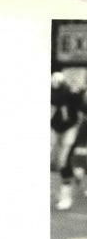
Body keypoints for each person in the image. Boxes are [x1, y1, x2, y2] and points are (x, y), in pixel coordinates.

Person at [51, 71, 86, 211]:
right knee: (58, 161)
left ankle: (67, 196)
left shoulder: (72, 92)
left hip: (71, 128)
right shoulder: (54, 92)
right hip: (57, 127)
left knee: (64, 160)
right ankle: (78, 174)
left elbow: (81, 105)